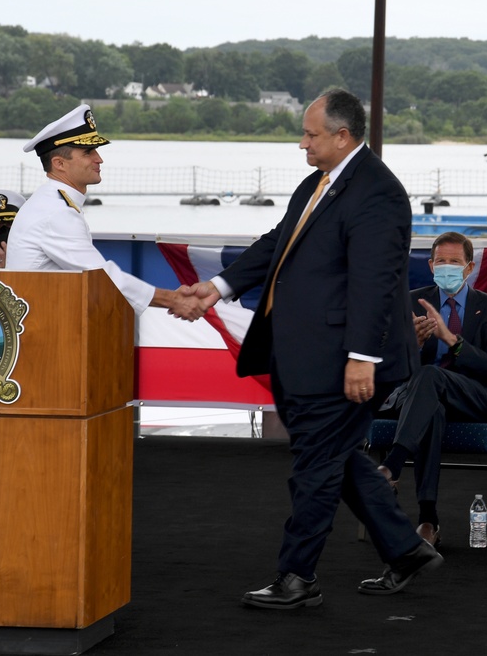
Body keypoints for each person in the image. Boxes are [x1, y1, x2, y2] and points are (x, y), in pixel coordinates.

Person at [183, 89, 441, 609]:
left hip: (342, 362)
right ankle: (406, 550)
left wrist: (361, 358)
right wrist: (219, 287)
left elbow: (375, 280)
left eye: (310, 134)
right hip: (305, 357)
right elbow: (279, 242)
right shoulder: (317, 183)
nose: (302, 144)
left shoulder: (378, 193)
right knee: (333, 457)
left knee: (315, 468)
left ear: (343, 136)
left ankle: (297, 578)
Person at [375, 231, 487, 547]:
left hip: (474, 398)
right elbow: (383, 364)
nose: (447, 268)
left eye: (455, 262)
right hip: (420, 400)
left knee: (430, 377)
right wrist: (412, 344)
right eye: (441, 262)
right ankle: (428, 520)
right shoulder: (409, 302)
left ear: (469, 268)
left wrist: (451, 340)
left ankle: (392, 465)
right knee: (431, 403)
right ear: (430, 265)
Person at [6, 104, 202, 319]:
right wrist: (173, 300)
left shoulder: (51, 203)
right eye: (88, 152)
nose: (99, 159)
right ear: (59, 163)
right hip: (46, 332)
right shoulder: (56, 212)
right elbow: (101, 277)